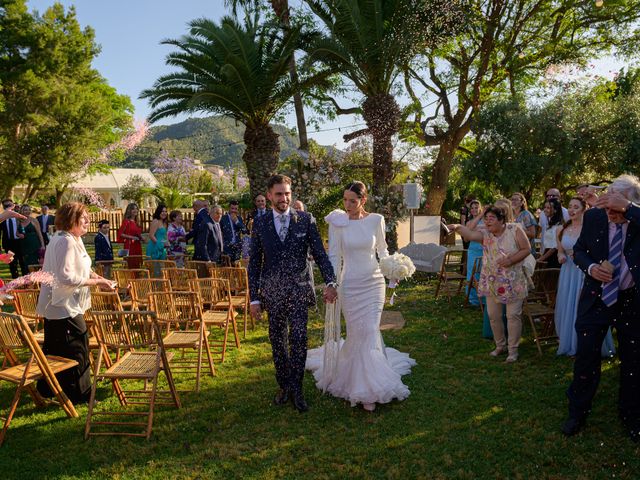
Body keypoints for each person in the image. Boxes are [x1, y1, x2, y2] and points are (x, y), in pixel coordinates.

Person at [306, 181, 416, 412]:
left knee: (370, 330)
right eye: (345, 200)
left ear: (363, 200)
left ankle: (370, 386)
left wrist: (392, 269)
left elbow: (383, 250)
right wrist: (332, 283)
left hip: (374, 283)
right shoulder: (338, 222)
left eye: (352, 201)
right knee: (358, 332)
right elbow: (334, 256)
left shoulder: (376, 219)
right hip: (350, 285)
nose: (348, 205)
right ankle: (358, 382)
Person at [248, 174, 337, 413]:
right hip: (272, 291)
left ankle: (297, 389)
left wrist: (330, 281)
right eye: (278, 194)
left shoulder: (305, 220)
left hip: (298, 290)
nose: (284, 198)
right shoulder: (260, 223)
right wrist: (254, 298)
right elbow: (255, 262)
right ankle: (284, 385)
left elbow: (320, 254)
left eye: (287, 193)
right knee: (277, 341)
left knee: (299, 339)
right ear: (269, 195)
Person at [561, 175, 640, 442]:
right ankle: (578, 412)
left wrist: (629, 209)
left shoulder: (636, 218)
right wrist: (592, 268)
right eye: (607, 207)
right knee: (586, 357)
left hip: (631, 301)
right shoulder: (594, 218)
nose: (611, 214)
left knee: (633, 361)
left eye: (616, 209)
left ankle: (630, 414)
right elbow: (581, 250)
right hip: (596, 298)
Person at [35, 202, 115, 403]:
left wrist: (101, 279)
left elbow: (83, 268)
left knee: (57, 348)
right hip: (63, 305)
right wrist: (97, 282)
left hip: (61, 304)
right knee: (79, 347)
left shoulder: (72, 239)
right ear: (72, 219)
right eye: (84, 217)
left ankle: (48, 389)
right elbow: (66, 278)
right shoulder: (66, 241)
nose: (88, 220)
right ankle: (81, 395)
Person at [449, 205, 532, 362]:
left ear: (502, 220)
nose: (487, 222)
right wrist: (457, 227)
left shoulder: (515, 230)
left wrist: (510, 260)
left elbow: (526, 249)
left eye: (491, 218)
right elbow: (469, 235)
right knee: (493, 316)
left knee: (512, 315)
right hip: (492, 281)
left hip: (513, 281)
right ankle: (500, 345)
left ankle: (513, 350)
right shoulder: (485, 234)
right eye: (486, 219)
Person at [555, 197, 615, 357]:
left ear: (583, 209)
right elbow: (560, 249)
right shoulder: (562, 229)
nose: (572, 210)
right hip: (567, 271)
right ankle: (568, 342)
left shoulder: (588, 228)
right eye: (570, 206)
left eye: (576, 207)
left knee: (583, 304)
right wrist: (561, 255)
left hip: (584, 272)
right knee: (568, 303)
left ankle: (588, 344)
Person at [1, 199, 26, 278]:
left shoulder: (19, 217)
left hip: (20, 243)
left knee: (23, 263)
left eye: (9, 205)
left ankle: (25, 283)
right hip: (8, 244)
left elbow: (25, 228)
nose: (8, 207)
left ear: (13, 205)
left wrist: (22, 234)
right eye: (6, 206)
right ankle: (15, 284)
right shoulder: (2, 219)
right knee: (12, 265)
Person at [464, 200, 483, 307]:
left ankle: (484, 298)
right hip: (473, 250)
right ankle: (472, 298)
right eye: (472, 208)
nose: (474, 210)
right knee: (473, 274)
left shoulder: (486, 221)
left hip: (484, 250)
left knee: (482, 273)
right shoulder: (469, 223)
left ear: (480, 208)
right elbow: (466, 238)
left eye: (476, 207)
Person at [538, 198, 563, 268]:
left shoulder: (558, 226)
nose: (545, 210)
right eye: (545, 207)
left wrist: (541, 259)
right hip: (547, 254)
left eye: (548, 208)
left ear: (555, 210)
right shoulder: (550, 223)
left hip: (553, 257)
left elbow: (554, 247)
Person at [117, 203, 143, 267]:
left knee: (137, 264)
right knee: (131, 263)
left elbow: (137, 233)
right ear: (129, 210)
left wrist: (141, 238)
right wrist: (132, 237)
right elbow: (120, 233)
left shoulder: (136, 222)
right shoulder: (126, 221)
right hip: (130, 245)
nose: (135, 210)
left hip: (137, 245)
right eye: (133, 209)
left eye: (136, 209)